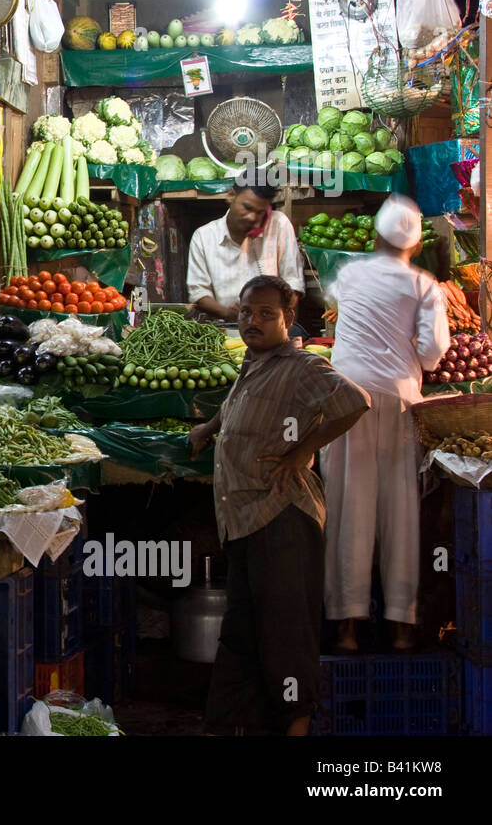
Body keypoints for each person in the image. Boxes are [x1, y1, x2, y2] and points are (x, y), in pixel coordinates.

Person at [189, 275, 369, 735]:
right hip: (245, 518)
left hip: (281, 519)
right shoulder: (255, 362)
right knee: (241, 635)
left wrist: (300, 451)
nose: (253, 321)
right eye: (247, 312)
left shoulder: (301, 365)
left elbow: (354, 402)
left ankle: (297, 728)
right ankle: (229, 727)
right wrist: (209, 428)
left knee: (286, 636)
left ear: (288, 319)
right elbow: (236, 406)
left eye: (267, 313)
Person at [320, 195, 450, 653]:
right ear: (414, 246)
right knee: (400, 511)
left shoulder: (351, 272)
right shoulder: (426, 285)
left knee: (347, 508)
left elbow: (339, 309)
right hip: (399, 401)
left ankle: (347, 627)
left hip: (345, 398)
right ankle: (400, 627)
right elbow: (434, 353)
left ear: (376, 237)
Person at [187, 183, 305, 323]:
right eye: (247, 208)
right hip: (227, 326)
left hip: (272, 327)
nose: (251, 217)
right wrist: (227, 313)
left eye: (260, 212)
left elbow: (293, 283)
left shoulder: (278, 224)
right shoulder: (204, 236)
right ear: (231, 195)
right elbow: (198, 292)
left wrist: (270, 313)